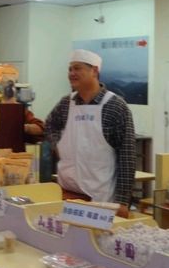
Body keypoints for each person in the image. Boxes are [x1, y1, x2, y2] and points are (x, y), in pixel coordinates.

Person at [45, 49, 136, 218]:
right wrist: (57, 145)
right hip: (67, 193)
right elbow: (50, 124)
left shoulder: (116, 107)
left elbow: (127, 157)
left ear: (94, 71)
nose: (71, 73)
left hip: (101, 197)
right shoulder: (66, 103)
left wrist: (123, 202)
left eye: (77, 68)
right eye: (70, 69)